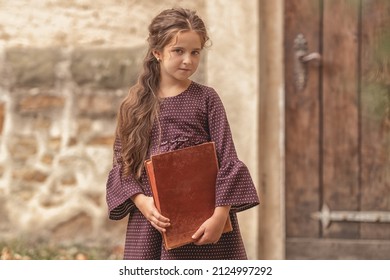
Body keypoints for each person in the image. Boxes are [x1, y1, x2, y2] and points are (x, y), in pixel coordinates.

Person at [106, 7, 259, 260]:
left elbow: (227, 158)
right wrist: (143, 203)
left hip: (206, 222)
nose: (188, 60)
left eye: (195, 52)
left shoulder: (207, 99)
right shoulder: (133, 106)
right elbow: (122, 164)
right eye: (178, 51)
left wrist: (220, 216)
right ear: (157, 52)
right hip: (153, 224)